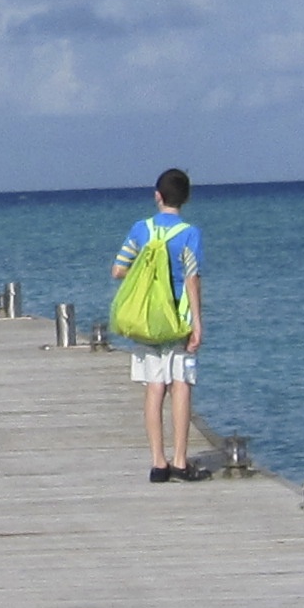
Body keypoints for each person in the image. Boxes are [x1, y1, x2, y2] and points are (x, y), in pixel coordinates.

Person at [114, 168, 206, 482]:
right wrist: (198, 324)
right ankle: (181, 461)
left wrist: (146, 279)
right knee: (181, 385)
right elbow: (193, 279)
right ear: (186, 198)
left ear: (158, 196)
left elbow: (118, 269)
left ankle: (158, 463)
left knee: (154, 388)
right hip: (178, 320)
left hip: (146, 320)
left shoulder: (141, 229)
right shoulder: (190, 233)